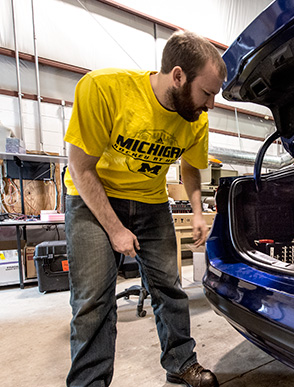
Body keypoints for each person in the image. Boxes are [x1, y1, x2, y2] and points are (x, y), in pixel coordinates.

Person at [63, 30, 227, 387]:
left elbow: (190, 167)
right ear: (179, 76)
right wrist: (115, 229)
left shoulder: (194, 118)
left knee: (169, 287)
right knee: (93, 299)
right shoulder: (104, 89)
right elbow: (81, 167)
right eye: (207, 93)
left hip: (151, 203)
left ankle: (181, 363)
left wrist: (198, 212)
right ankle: (89, 381)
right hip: (93, 197)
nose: (210, 104)